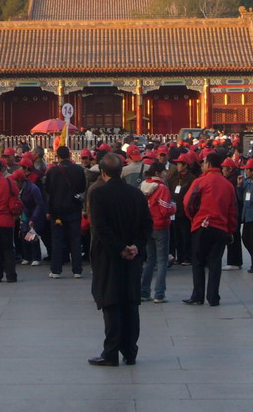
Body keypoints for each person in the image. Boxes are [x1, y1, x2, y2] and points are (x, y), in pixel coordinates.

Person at [87, 152, 152, 367]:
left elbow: (100, 229)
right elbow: (146, 224)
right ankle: (130, 351)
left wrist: (120, 248)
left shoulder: (98, 195)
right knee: (130, 303)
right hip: (132, 257)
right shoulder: (136, 194)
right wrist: (135, 247)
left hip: (109, 257)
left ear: (103, 172)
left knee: (112, 303)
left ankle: (111, 351)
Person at [182, 150, 238, 307]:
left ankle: (197, 296)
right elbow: (233, 210)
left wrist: (193, 217)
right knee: (215, 263)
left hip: (202, 226)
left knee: (198, 262)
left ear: (208, 164)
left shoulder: (200, 182)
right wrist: (230, 229)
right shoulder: (228, 185)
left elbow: (188, 202)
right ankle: (213, 297)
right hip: (220, 228)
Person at [42, 145, 87, 279]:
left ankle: (56, 270)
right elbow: (82, 187)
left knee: (57, 240)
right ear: (70, 155)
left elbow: (48, 191)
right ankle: (77, 270)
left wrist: (49, 210)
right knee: (75, 239)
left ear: (57, 156)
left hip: (57, 211)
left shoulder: (52, 171)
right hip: (73, 209)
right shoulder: (79, 170)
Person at [139, 161, 173, 303]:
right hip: (161, 226)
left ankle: (144, 291)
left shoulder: (143, 186)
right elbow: (165, 209)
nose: (166, 174)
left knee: (150, 260)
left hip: (147, 226)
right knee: (162, 260)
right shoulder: (162, 188)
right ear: (158, 173)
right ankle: (159, 293)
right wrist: (173, 208)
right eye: (164, 172)